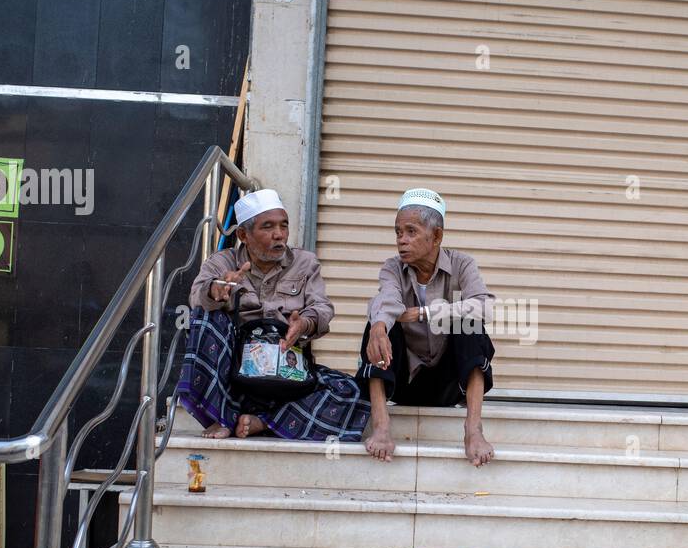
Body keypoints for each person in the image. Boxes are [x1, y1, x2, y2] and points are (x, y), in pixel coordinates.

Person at [176, 188, 370, 441]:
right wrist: (216, 289)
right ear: (244, 234)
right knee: (204, 318)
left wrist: (305, 325)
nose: (279, 235)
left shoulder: (305, 262)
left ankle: (262, 422)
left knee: (352, 391)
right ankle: (221, 416)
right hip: (236, 375)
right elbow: (197, 295)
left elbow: (322, 307)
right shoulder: (223, 261)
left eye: (283, 226)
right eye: (268, 227)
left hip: (289, 374)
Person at [358, 188, 496, 466]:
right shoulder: (392, 268)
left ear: (437, 236)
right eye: (398, 232)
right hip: (404, 380)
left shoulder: (462, 264)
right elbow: (386, 299)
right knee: (378, 323)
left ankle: (473, 430)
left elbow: (485, 306)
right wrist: (378, 326)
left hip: (449, 383)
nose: (401, 241)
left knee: (469, 323)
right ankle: (382, 428)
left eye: (411, 232)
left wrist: (425, 312)